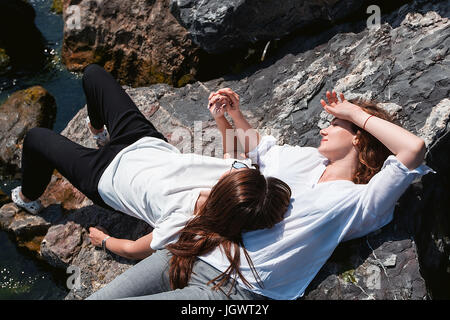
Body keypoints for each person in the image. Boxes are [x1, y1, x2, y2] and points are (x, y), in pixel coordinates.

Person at [86, 86, 434, 300]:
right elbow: (259, 150)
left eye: (335, 124)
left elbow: (413, 149)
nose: (325, 129)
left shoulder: (360, 201)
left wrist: (355, 112)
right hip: (195, 249)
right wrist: (232, 113)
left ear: (358, 137)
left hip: (233, 293)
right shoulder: (307, 159)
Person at [9, 65, 292, 296]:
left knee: (36, 138)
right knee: (93, 74)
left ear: (224, 198)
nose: (234, 171)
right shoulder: (241, 183)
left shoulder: (183, 222)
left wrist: (105, 240)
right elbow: (232, 155)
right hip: (143, 141)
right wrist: (222, 117)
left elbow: (134, 250)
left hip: (104, 175)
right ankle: (98, 130)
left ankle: (28, 198)